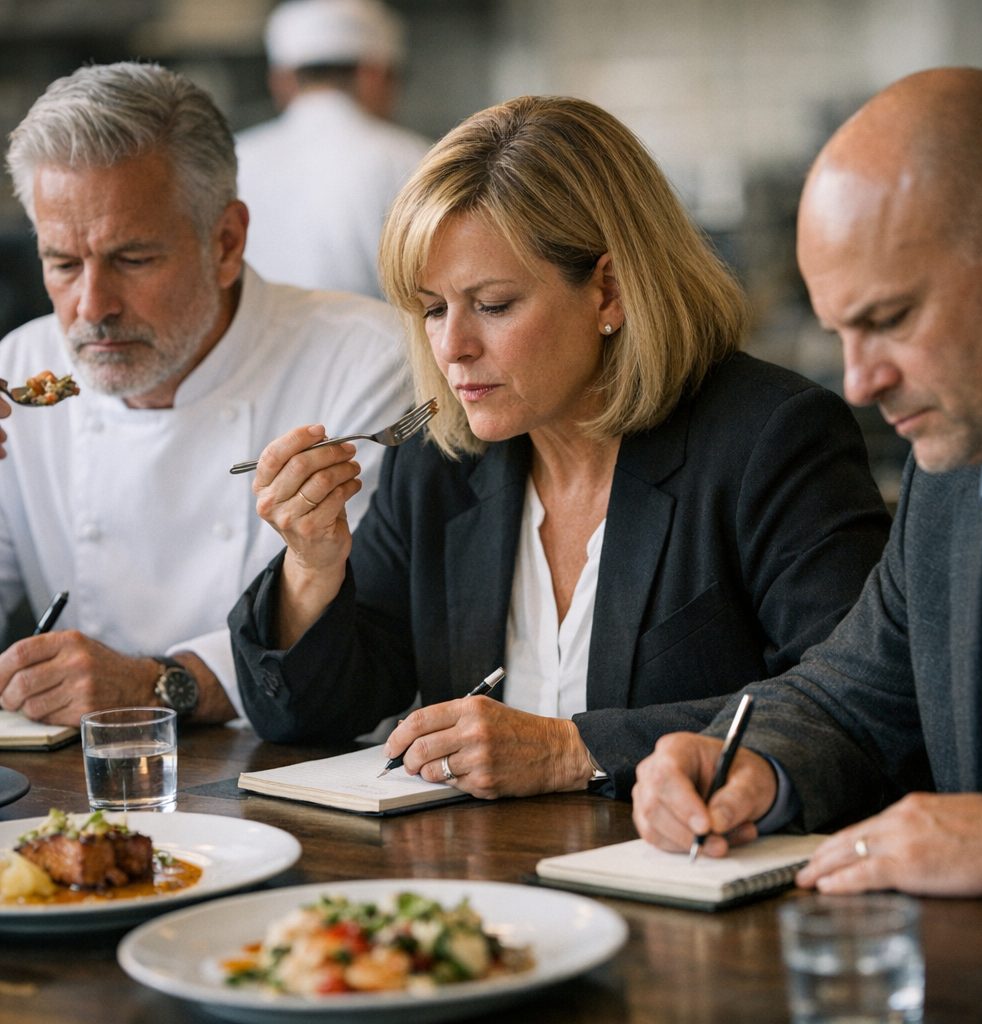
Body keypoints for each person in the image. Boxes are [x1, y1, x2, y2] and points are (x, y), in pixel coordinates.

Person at [229, 94, 891, 801]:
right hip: (487, 895)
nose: (453, 348)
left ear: (608, 290)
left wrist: (574, 750)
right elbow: (307, 714)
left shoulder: (772, 439)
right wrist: (313, 566)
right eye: (432, 308)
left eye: (493, 305)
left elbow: (857, 714)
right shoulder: (445, 461)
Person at [632, 66, 982, 899]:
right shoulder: (951, 489)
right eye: (843, 331)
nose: (857, 382)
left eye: (888, 319)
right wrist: (752, 763)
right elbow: (851, 701)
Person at [0, 61, 410, 727]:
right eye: (63, 264)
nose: (91, 306)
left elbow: (368, 630)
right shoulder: (20, 370)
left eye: (133, 260)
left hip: (307, 781)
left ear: (226, 242)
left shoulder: (367, 362)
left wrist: (155, 685)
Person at [236, 0, 430, 297]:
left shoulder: (235, 157)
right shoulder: (412, 158)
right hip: (383, 342)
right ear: (374, 74)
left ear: (282, 80)